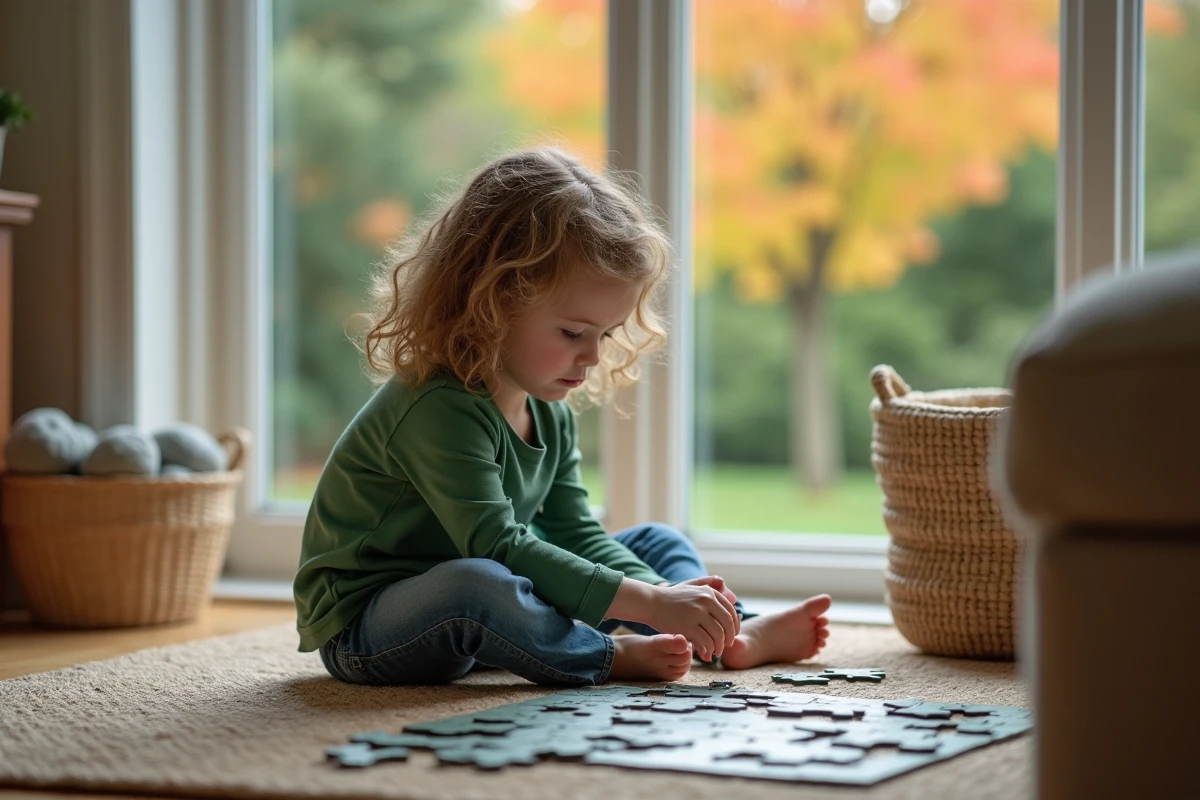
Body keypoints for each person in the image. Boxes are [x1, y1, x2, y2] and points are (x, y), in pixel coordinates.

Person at [293, 146, 831, 687]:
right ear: (492, 300)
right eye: (574, 333)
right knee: (479, 584)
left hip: (493, 606)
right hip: (369, 629)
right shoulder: (437, 408)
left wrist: (665, 603)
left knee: (656, 542)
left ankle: (727, 634)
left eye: (606, 334)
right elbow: (498, 545)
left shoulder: (548, 407)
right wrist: (648, 603)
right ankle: (601, 655)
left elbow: (574, 529)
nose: (593, 357)